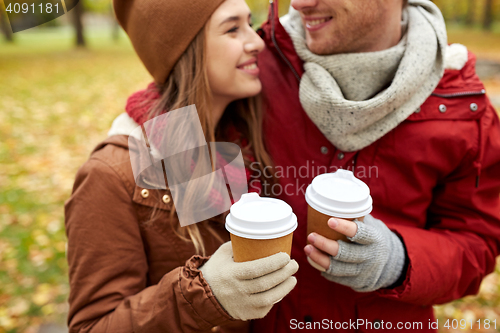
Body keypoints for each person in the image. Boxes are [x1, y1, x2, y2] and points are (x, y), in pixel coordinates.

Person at [250, 0, 500, 331]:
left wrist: (400, 260)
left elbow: (476, 243)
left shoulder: (462, 107)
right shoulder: (254, 61)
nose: (300, 3)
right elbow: (173, 110)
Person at [64, 0, 299, 332]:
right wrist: (205, 294)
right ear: (183, 51)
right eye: (233, 28)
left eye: (250, 22)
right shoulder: (111, 176)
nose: (256, 42)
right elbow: (92, 327)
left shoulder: (246, 142)